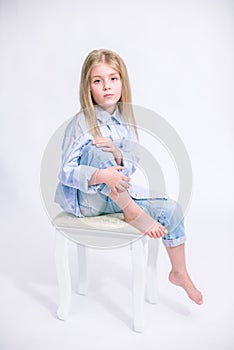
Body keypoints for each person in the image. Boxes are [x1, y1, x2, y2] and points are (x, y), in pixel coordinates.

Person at [55, 49, 203, 305]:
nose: (106, 86)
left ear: (123, 82)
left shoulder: (126, 123)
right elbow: (66, 172)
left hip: (116, 197)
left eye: (113, 79)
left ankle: (179, 272)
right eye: (97, 81)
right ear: (88, 87)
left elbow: (131, 169)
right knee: (96, 150)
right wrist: (101, 173)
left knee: (171, 208)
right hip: (88, 202)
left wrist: (119, 156)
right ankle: (132, 211)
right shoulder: (81, 123)